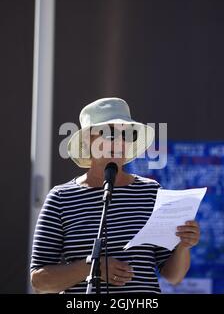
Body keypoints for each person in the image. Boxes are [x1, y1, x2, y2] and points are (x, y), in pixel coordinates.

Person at [30, 97, 200, 294]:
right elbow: (39, 281)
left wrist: (184, 246)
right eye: (109, 133)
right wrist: (93, 268)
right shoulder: (60, 198)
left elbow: (173, 276)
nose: (119, 141)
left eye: (127, 134)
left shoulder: (151, 192)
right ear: (87, 141)